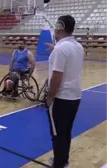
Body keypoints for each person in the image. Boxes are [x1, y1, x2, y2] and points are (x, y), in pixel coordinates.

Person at [46, 15, 84, 168]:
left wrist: (50, 97)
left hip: (61, 98)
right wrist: (56, 49)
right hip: (75, 97)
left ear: (59, 27)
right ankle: (63, 161)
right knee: (66, 132)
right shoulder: (78, 47)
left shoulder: (61, 49)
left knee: (57, 134)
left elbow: (57, 76)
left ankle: (59, 164)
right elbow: (67, 56)